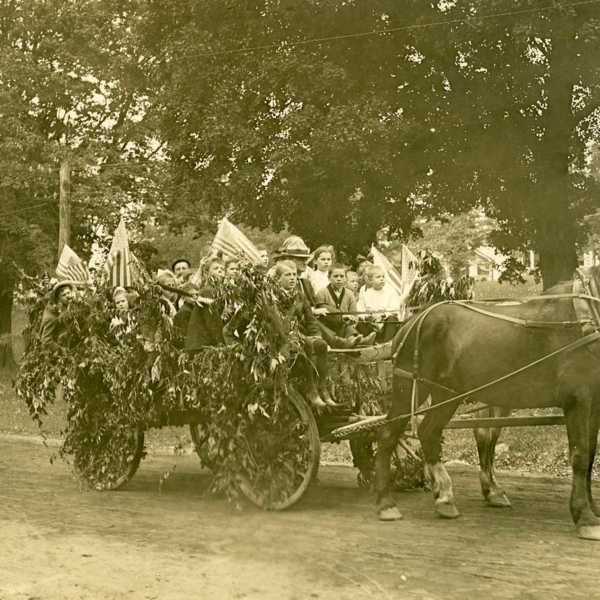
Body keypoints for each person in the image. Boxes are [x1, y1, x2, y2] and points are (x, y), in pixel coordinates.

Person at [273, 260, 336, 409]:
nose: (292, 278)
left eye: (294, 275)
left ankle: (322, 388)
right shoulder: (273, 296)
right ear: (278, 278)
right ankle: (312, 391)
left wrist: (316, 336)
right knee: (303, 351)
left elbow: (311, 320)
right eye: (287, 275)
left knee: (321, 345)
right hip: (282, 337)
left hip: (299, 335)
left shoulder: (299, 295)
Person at [315, 264, 376, 347]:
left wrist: (352, 319)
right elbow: (321, 312)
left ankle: (358, 341)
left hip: (344, 326)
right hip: (329, 327)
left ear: (345, 279)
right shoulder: (322, 293)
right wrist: (341, 317)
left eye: (342, 276)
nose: (339, 279)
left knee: (349, 327)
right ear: (329, 278)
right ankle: (356, 341)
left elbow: (354, 314)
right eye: (335, 276)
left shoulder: (350, 294)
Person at [184, 257, 226, 351]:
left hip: (205, 343)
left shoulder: (219, 291)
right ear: (207, 273)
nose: (220, 271)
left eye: (222, 269)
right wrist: (221, 343)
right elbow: (212, 320)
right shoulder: (208, 291)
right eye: (216, 268)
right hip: (201, 345)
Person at [39, 281, 78, 345]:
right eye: (63, 295)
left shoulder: (67, 307)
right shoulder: (52, 317)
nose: (67, 296)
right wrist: (61, 350)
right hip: (59, 350)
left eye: (68, 293)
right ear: (58, 299)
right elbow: (45, 341)